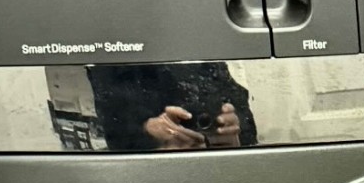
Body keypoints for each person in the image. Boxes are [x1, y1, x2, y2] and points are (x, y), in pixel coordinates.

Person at [87, 62, 258, 152]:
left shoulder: (199, 41)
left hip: (218, 169)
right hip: (149, 179)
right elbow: (112, 131)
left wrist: (234, 130)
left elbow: (240, 108)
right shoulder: (109, 49)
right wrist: (149, 136)